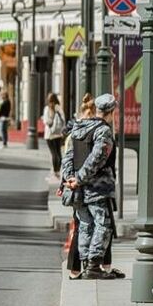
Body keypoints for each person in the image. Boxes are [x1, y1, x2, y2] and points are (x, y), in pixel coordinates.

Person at [61, 93, 124, 278]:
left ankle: (86, 263)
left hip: (77, 189)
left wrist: (70, 178)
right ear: (111, 112)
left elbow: (68, 157)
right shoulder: (103, 131)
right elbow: (96, 159)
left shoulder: (78, 127)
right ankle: (94, 265)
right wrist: (79, 178)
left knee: (85, 225)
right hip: (97, 187)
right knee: (103, 224)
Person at [41, 95, 68, 181]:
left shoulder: (47, 109)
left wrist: (50, 120)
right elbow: (64, 120)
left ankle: (54, 173)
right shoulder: (59, 108)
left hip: (49, 134)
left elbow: (46, 121)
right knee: (58, 153)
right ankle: (58, 172)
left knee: (53, 153)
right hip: (58, 133)